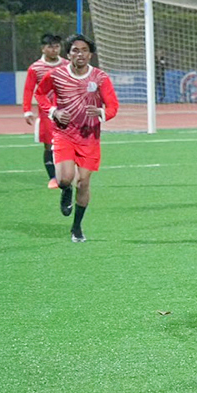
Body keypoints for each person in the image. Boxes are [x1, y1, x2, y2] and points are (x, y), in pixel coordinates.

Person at [35, 34, 119, 242]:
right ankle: (65, 189)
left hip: (89, 137)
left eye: (84, 50)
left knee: (83, 182)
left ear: (90, 55)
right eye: (75, 50)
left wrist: (100, 112)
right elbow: (40, 94)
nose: (79, 54)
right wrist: (54, 111)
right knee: (65, 178)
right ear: (68, 54)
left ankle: (76, 227)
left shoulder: (100, 78)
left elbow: (113, 106)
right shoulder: (56, 75)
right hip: (63, 133)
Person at [21, 33, 67, 188]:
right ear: (43, 48)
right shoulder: (35, 68)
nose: (54, 50)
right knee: (49, 145)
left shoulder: (67, 64)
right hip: (47, 113)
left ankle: (67, 173)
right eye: (50, 47)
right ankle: (53, 177)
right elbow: (29, 89)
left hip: (67, 111)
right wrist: (27, 110)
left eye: (57, 46)